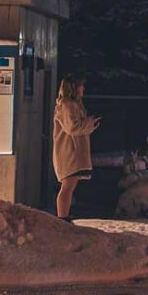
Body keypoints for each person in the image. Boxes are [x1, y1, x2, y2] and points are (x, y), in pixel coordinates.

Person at [53, 74, 100, 222]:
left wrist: (88, 123)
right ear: (73, 87)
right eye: (81, 85)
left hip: (71, 151)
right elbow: (72, 127)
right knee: (67, 186)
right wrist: (88, 123)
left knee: (69, 186)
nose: (83, 89)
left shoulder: (73, 104)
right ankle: (62, 218)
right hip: (68, 152)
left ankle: (64, 216)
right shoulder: (67, 105)